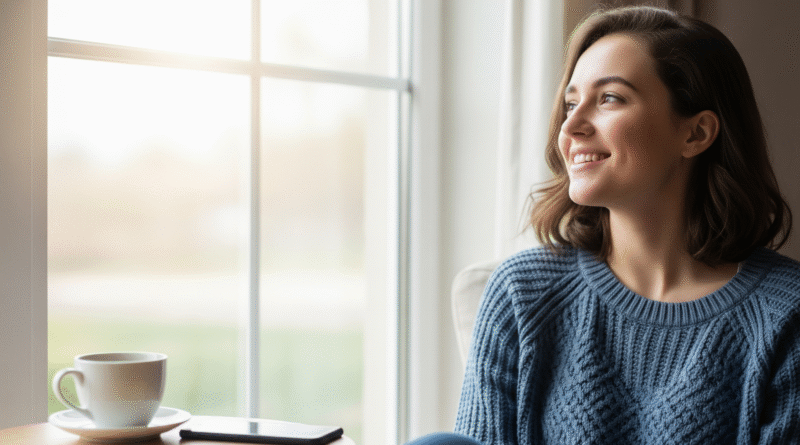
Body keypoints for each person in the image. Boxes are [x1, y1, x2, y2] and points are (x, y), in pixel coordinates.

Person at [407, 5, 799, 445]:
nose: (570, 126)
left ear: (696, 133)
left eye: (609, 98)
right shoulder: (523, 294)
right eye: (571, 103)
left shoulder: (786, 316)